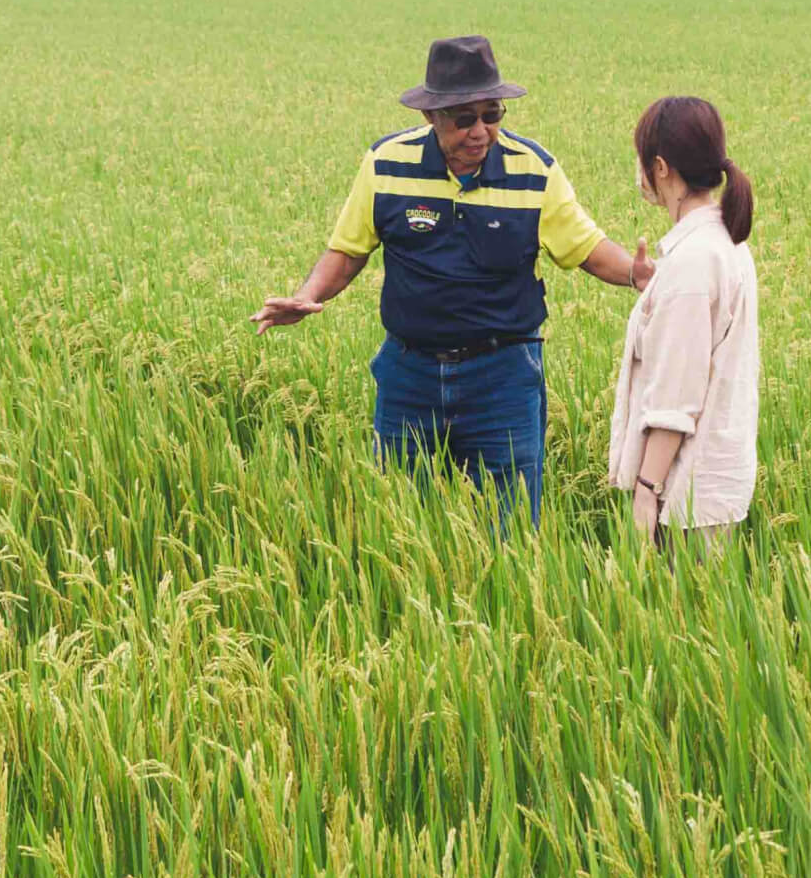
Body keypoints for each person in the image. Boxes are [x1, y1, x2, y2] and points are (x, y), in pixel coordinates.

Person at [251, 34, 653, 524]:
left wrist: (636, 274)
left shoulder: (534, 171)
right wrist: (307, 296)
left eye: (492, 115)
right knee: (401, 525)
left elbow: (586, 248)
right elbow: (349, 248)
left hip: (503, 377)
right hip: (409, 375)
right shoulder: (386, 165)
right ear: (431, 116)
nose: (481, 131)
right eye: (465, 118)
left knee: (506, 531)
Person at [609, 97, 758, 556]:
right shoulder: (723, 243)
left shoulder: (694, 261)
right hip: (711, 492)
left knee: (678, 619)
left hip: (684, 501)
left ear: (659, 167)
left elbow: (677, 397)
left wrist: (646, 491)